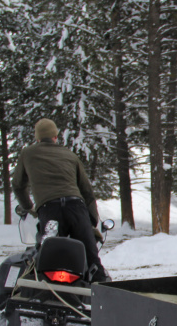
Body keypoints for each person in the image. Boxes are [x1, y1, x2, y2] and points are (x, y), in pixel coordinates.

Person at [12, 118, 110, 282]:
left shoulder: (27, 153)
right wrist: (91, 222)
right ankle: (102, 292)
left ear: (37, 138)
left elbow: (18, 185)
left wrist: (29, 207)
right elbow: (87, 192)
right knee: (91, 257)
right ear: (55, 137)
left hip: (50, 209)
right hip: (76, 207)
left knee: (50, 257)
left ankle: (48, 293)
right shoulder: (69, 155)